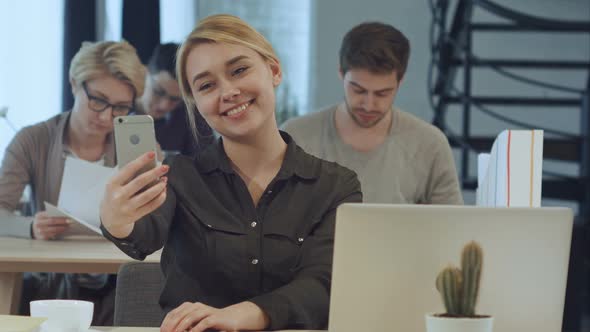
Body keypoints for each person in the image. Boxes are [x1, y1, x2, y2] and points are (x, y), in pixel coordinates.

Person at [99, 14, 362, 331]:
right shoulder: (179, 177)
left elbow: (323, 283)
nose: (228, 91)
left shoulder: (336, 186)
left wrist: (245, 314)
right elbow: (142, 235)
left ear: (274, 71)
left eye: (239, 70)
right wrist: (116, 218)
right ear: (195, 102)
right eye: (207, 85)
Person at [0, 40, 146, 325]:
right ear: (74, 84)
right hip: (53, 278)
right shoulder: (33, 140)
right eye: (98, 100)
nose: (106, 116)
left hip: (119, 276)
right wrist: (30, 226)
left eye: (120, 107)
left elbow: (158, 220)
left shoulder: (136, 144)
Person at [282, 22, 463, 205]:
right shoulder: (295, 137)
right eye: (358, 90)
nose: (369, 105)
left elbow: (451, 227)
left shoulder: (430, 145)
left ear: (400, 82)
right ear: (341, 74)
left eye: (382, 93)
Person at [136, 42, 214, 157]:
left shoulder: (191, 116)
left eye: (175, 99)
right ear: (145, 73)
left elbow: (208, 164)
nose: (165, 105)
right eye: (158, 91)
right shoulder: (118, 108)